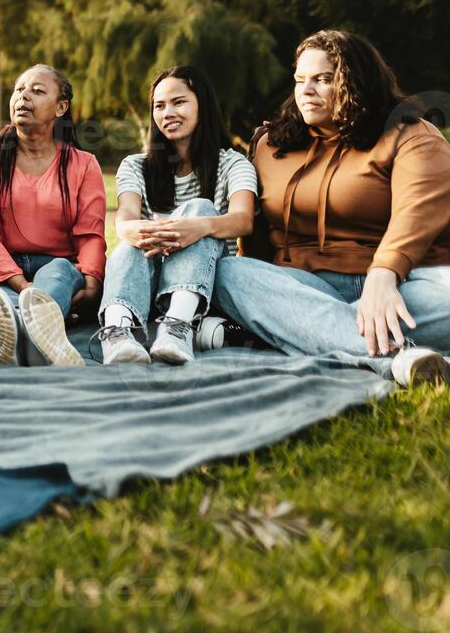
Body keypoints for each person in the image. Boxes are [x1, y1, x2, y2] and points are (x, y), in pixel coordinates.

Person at [211, 30, 450, 386]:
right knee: (230, 274)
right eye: (300, 80)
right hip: (304, 287)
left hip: (403, 285)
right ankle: (398, 357)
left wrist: (384, 274)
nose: (306, 90)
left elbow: (418, 211)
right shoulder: (270, 144)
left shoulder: (410, 134)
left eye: (323, 79)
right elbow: (256, 242)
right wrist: (262, 298)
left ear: (358, 83)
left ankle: (317, 335)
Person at [95, 66, 258, 366]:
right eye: (159, 105)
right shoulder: (135, 165)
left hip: (206, 284)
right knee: (131, 239)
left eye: (178, 102)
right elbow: (126, 216)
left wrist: (196, 228)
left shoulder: (234, 164)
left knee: (201, 208)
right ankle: (116, 331)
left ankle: (176, 328)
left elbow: (243, 219)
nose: (168, 112)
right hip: (147, 281)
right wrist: (135, 230)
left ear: (203, 105)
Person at [0, 64, 106, 367]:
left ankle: (11, 337)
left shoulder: (84, 164)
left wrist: (91, 280)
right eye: (19, 89)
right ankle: (34, 336)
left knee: (55, 273)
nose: (23, 96)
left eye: (37, 91)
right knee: (1, 301)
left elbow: (90, 233)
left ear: (61, 107)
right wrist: (24, 287)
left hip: (59, 268)